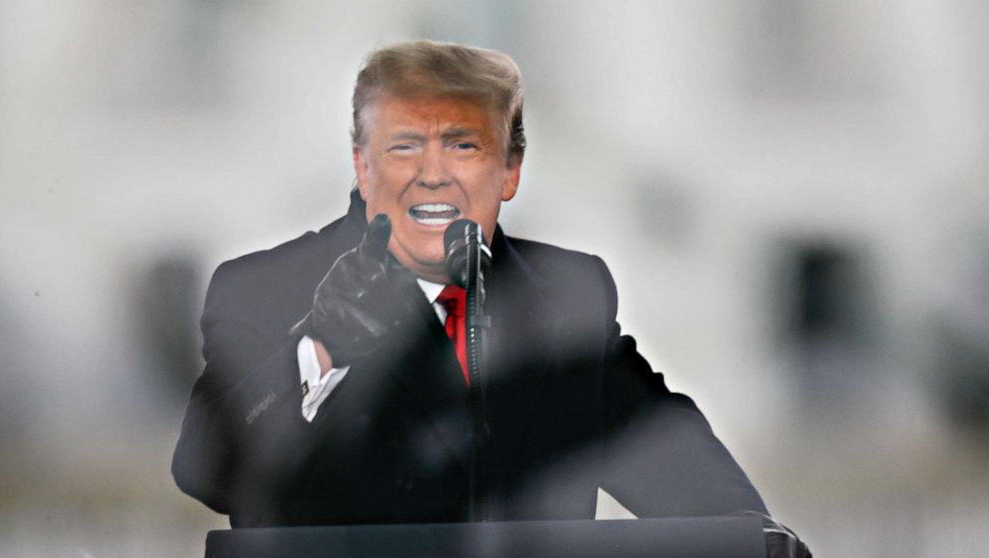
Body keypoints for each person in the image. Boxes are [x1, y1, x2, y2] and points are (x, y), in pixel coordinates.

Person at [172, 40, 810, 555]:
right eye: (404, 145)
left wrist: (750, 537)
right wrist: (318, 349)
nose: (433, 172)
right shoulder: (265, 287)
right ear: (362, 166)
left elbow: (663, 456)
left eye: (463, 144)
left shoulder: (566, 297)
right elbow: (205, 470)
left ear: (510, 170)